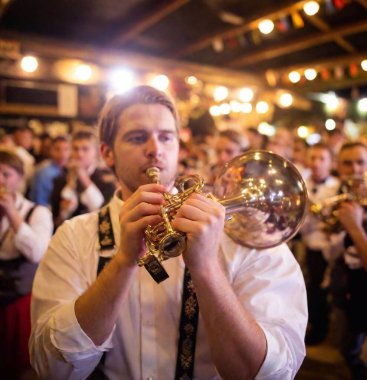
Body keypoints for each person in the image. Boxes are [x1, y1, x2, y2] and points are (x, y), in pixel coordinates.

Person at [30, 85, 307, 380]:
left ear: (178, 148)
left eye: (166, 137)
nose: (154, 149)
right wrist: (123, 262)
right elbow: (52, 367)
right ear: (107, 154)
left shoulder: (246, 236)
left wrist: (206, 268)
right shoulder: (73, 236)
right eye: (137, 138)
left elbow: (273, 374)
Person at [0, 149, 53, 379]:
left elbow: (37, 252)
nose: (0, 180)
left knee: (18, 365)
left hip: (18, 300)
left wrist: (12, 213)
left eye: (5, 174)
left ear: (20, 178)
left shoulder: (37, 211)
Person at [330, 141, 367, 380]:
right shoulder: (341, 195)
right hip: (350, 289)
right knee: (348, 349)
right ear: (338, 167)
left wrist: (356, 226)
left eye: (361, 162)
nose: (355, 169)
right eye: (347, 163)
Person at [300, 143, 340, 345]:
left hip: (329, 247)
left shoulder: (337, 187)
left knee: (321, 290)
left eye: (321, 158)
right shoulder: (301, 185)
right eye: (313, 158)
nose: (316, 163)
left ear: (331, 163)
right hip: (308, 243)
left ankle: (321, 328)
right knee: (307, 288)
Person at [50, 130, 116, 228]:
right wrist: (62, 213)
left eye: (85, 149)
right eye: (76, 149)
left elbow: (104, 212)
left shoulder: (106, 180)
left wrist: (83, 176)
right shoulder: (60, 179)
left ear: (96, 152)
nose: (80, 154)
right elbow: (55, 221)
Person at [29, 135, 71, 207]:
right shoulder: (44, 172)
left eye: (66, 149)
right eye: (57, 149)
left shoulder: (66, 168)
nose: (62, 154)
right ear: (51, 150)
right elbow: (40, 202)